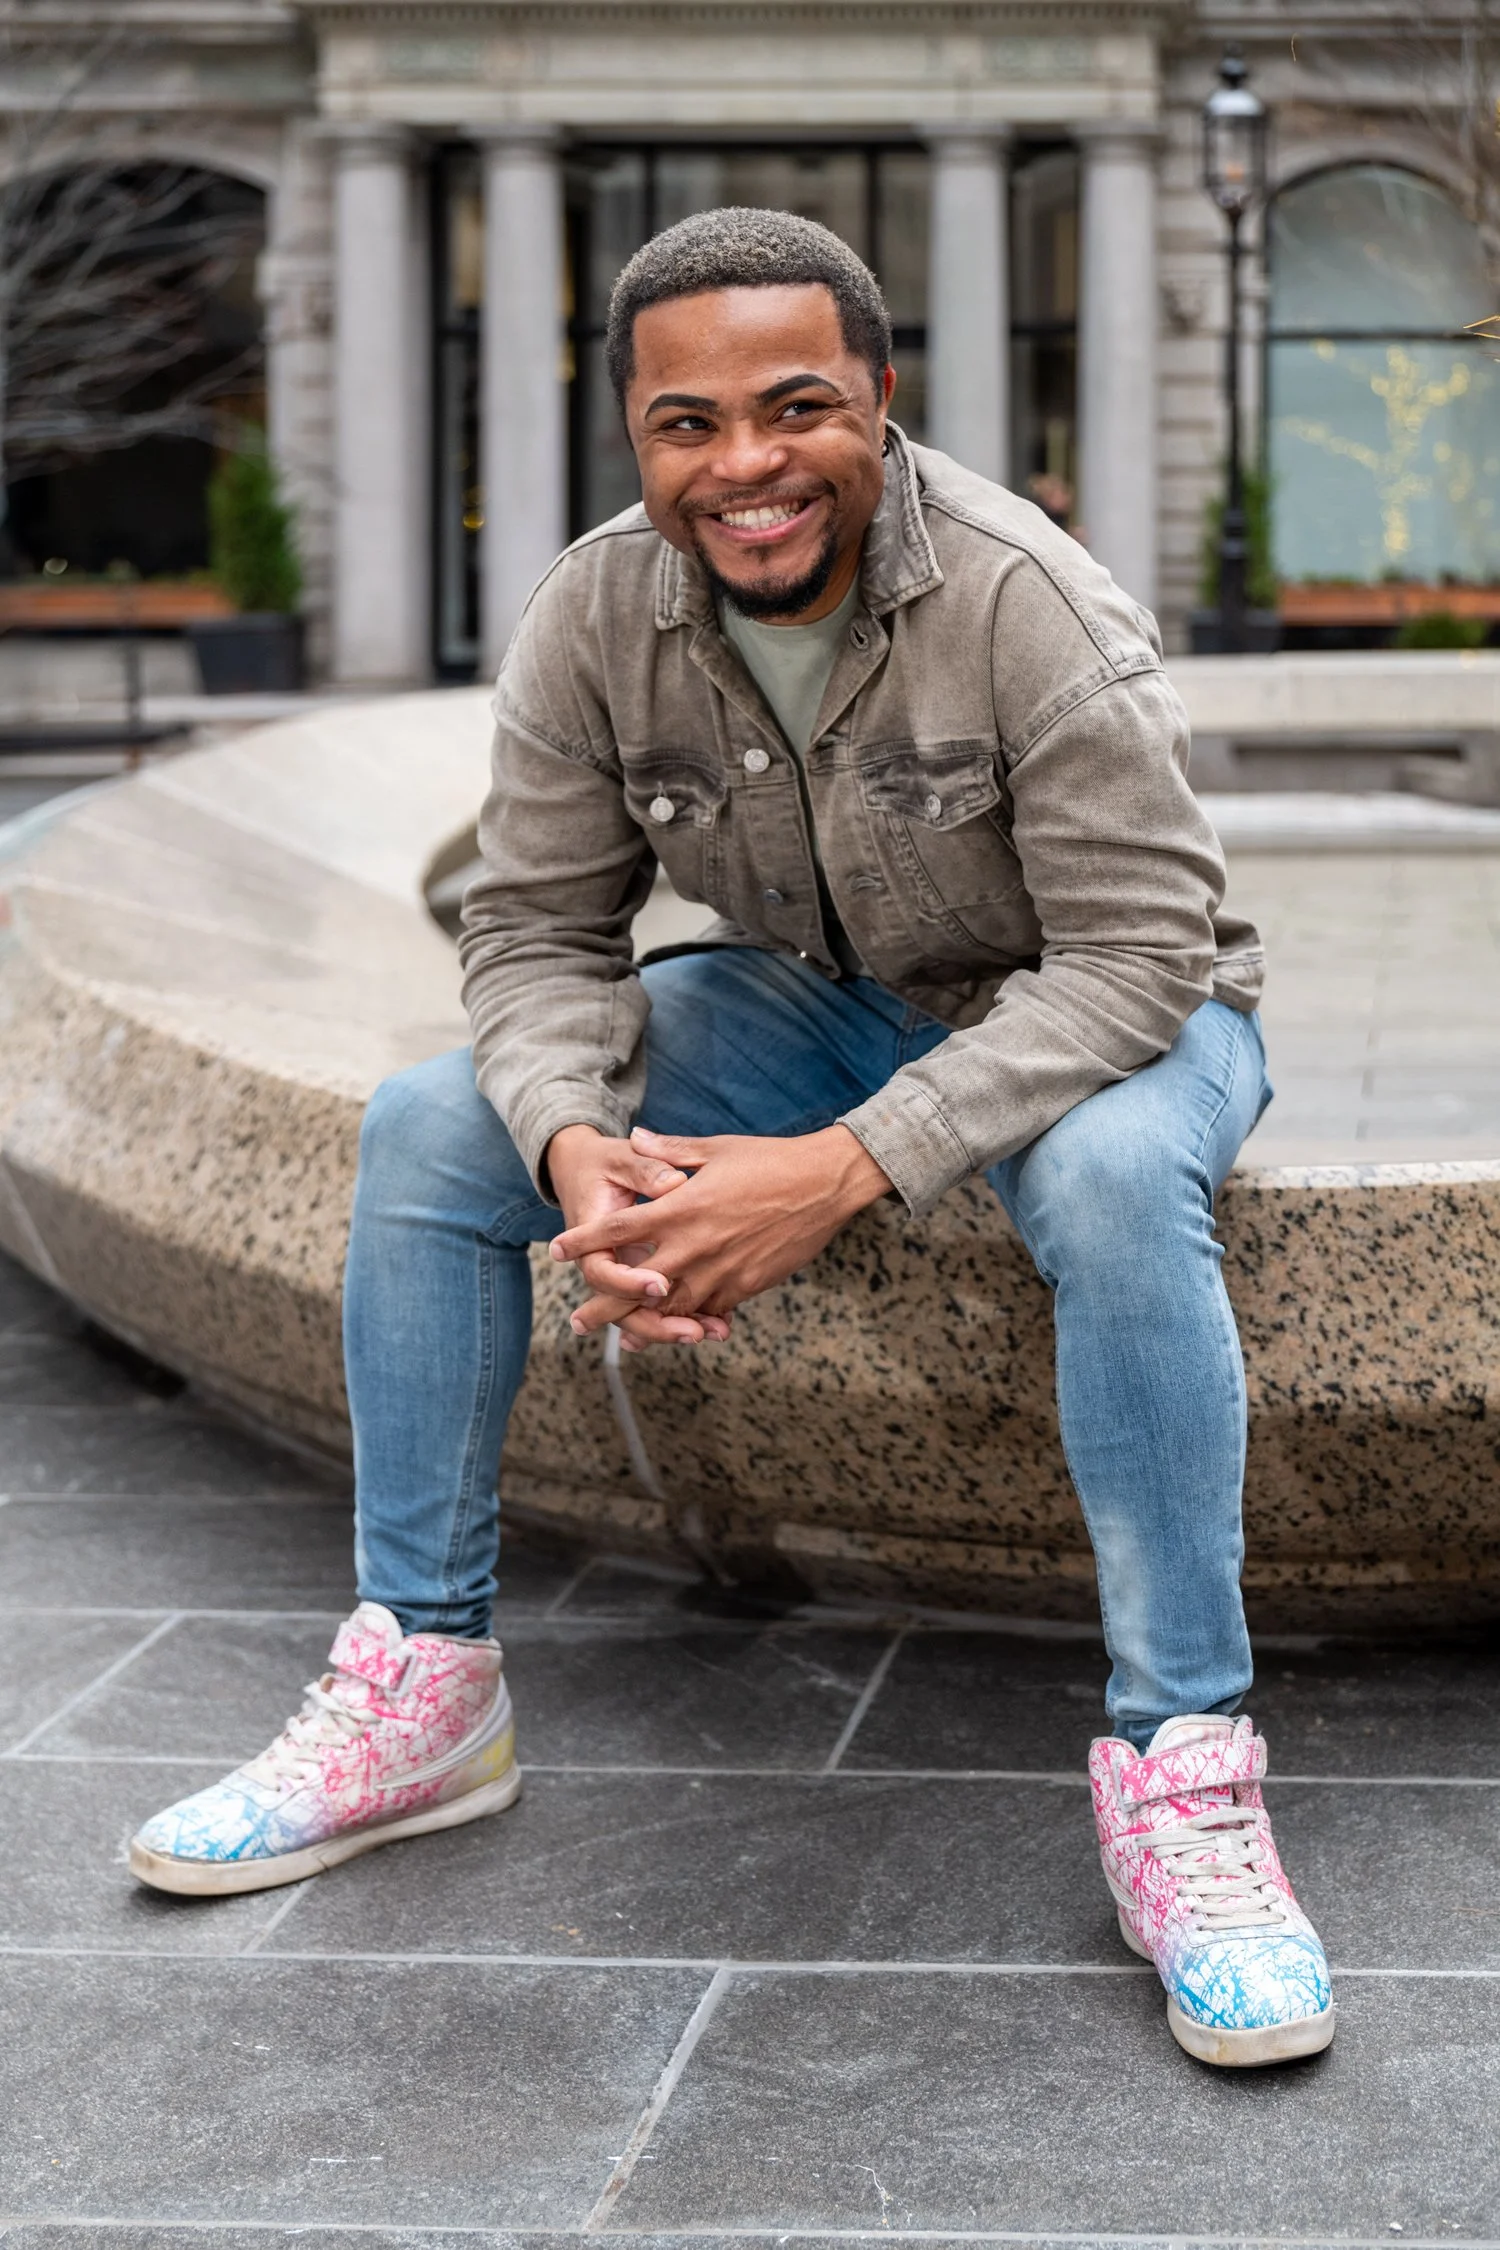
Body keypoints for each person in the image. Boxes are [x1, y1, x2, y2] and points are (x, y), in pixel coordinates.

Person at [130, 207, 1333, 2069]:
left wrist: (842, 1170)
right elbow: (534, 929)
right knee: (433, 1126)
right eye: (688, 425)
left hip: (1121, 1014)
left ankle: (1186, 1764)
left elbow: (1142, 952)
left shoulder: (1027, 597)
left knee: (1103, 1177)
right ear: (634, 430)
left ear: (880, 404)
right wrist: (569, 1147)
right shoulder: (597, 610)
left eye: (797, 409)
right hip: (810, 1004)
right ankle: (425, 1684)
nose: (747, 465)